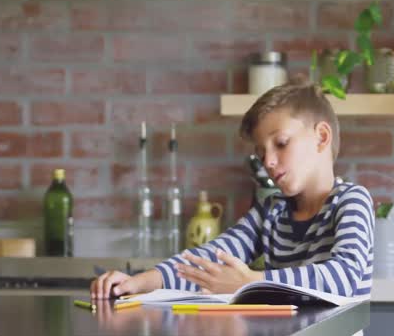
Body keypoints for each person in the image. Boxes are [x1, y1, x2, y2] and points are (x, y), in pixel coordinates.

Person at [91, 83, 375, 300]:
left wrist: (251, 281)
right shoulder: (272, 211)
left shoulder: (351, 201)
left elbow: (344, 276)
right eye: (261, 153)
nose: (269, 162)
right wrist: (137, 282)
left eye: (281, 143)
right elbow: (212, 257)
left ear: (321, 137)